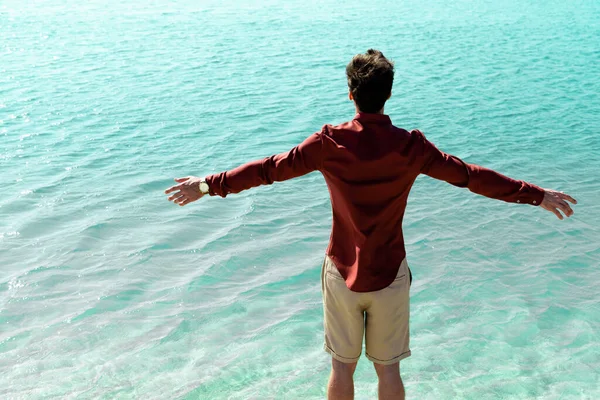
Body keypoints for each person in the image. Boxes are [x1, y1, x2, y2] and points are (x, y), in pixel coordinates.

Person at [164, 49, 577, 400]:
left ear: (350, 95)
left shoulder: (328, 143)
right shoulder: (411, 147)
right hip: (390, 274)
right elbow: (469, 176)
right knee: (389, 371)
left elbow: (269, 170)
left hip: (340, 271)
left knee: (342, 369)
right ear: (389, 94)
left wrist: (206, 185)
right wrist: (535, 195)